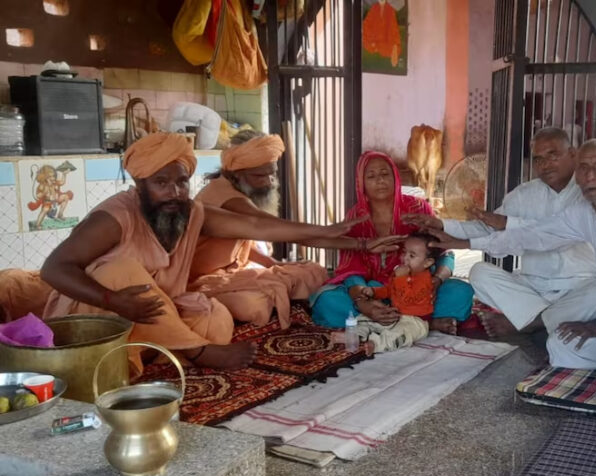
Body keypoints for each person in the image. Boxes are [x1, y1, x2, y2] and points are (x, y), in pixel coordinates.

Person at [40, 133, 360, 376]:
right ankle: (195, 351)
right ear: (140, 184)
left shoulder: (192, 212)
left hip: (151, 309)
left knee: (216, 320)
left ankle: (156, 346)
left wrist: (336, 235)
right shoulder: (113, 217)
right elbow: (54, 268)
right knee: (121, 271)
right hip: (99, 313)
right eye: (161, 182)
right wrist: (114, 301)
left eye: (181, 182)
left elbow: (256, 227)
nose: (175, 192)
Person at [428, 139, 596, 369]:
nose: (589, 176)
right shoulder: (583, 212)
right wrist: (467, 243)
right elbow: (535, 236)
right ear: (576, 174)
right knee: (559, 348)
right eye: (583, 168)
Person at [404, 127, 596, 339]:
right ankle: (550, 320)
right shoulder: (523, 194)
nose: (545, 164)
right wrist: (443, 225)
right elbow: (487, 227)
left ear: (572, 154)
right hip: (533, 287)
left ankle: (532, 322)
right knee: (480, 273)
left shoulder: (589, 193)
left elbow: (552, 235)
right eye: (538, 159)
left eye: (552, 155)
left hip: (578, 285)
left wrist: (505, 223)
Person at [189, 130, 400, 328]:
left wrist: (273, 264)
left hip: (236, 271)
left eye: (271, 174)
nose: (269, 182)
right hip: (207, 278)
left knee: (315, 272)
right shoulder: (224, 196)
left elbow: (243, 244)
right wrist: (346, 238)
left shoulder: (414, 208)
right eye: (259, 176)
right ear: (236, 173)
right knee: (256, 303)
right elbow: (267, 227)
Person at [310, 151, 474, 334]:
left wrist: (436, 280)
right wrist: (363, 303)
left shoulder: (418, 209)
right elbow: (351, 269)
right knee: (327, 301)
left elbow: (444, 253)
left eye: (384, 173)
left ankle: (383, 323)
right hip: (376, 292)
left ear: (395, 176)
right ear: (361, 184)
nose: (379, 180)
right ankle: (423, 323)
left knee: (460, 291)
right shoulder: (356, 217)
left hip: (418, 291)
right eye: (371, 176)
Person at [345, 234, 442, 353]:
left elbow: (408, 299)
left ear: (427, 263)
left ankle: (377, 344)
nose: (405, 258)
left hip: (416, 321)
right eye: (404, 252)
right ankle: (354, 336)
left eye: (411, 256)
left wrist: (401, 278)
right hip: (396, 315)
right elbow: (390, 290)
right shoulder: (403, 274)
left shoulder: (424, 280)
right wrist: (374, 292)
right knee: (364, 319)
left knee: (401, 335)